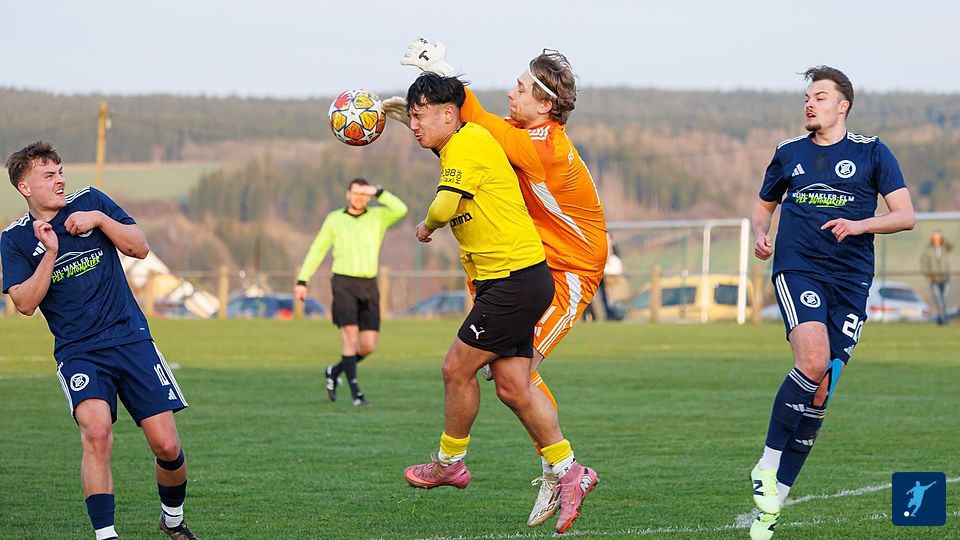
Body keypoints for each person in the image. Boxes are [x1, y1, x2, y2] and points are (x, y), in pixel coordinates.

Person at [388, 40, 607, 528]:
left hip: (567, 268)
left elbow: (476, 123)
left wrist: (443, 77)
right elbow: (476, 126)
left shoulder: (541, 146)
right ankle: (564, 468)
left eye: (522, 87)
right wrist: (437, 90)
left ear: (546, 104)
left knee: (500, 374)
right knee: (509, 381)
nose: (512, 93)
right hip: (532, 264)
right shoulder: (522, 133)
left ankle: (552, 470)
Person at [749, 66, 915, 540]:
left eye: (820, 97)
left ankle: (772, 504)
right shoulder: (788, 153)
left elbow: (905, 216)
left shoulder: (872, 152)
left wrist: (860, 224)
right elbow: (764, 205)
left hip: (852, 280)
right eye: (807, 97)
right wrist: (762, 234)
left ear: (842, 105)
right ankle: (766, 465)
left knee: (822, 389)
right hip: (800, 268)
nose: (810, 104)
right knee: (813, 359)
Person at [1, 141, 198, 540]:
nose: (60, 180)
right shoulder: (15, 239)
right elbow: (24, 303)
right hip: (79, 353)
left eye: (60, 171)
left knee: (165, 445)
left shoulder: (91, 200)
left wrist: (99, 220)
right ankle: (105, 535)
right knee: (95, 433)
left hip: (131, 339)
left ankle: (172, 520)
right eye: (48, 175)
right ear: (25, 187)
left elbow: (139, 247)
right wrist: (50, 254)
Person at [294, 178, 407, 406]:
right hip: (343, 283)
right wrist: (302, 280)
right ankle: (356, 393)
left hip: (368, 284)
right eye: (356, 193)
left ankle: (334, 372)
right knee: (350, 335)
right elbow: (318, 248)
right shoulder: (335, 219)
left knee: (368, 345)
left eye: (364, 194)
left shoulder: (378, 217)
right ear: (347, 194)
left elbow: (401, 209)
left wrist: (379, 192)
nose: (360, 198)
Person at [920, 230, 951, 325]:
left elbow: (951, 245)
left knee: (944, 300)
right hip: (934, 279)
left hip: (945, 278)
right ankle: (943, 320)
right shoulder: (928, 251)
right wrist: (928, 276)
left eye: (938, 238)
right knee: (938, 300)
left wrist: (943, 238)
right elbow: (924, 264)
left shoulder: (944, 248)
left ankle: (942, 318)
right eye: (935, 238)